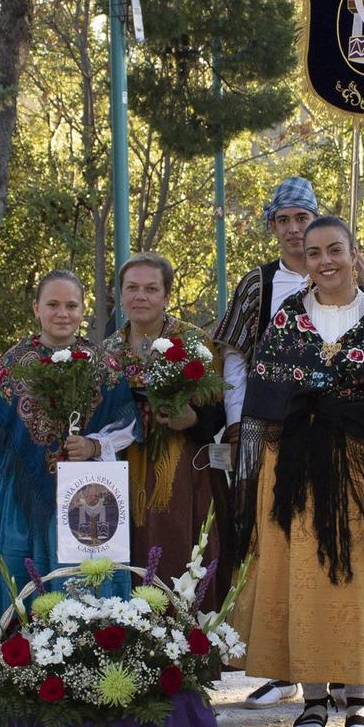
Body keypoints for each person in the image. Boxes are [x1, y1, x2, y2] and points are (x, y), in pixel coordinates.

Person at [231, 216, 364, 727]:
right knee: (305, 580)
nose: (325, 261)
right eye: (314, 252)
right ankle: (314, 697)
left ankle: (360, 698)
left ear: (354, 252)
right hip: (297, 475)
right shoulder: (287, 322)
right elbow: (265, 405)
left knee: (361, 576)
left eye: (334, 249)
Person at [211, 176, 321, 708]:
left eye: (303, 218)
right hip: (264, 429)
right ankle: (278, 663)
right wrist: (238, 419)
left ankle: (330, 664)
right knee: (266, 542)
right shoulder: (259, 284)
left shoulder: (346, 272)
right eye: (284, 220)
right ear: (272, 226)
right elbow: (232, 354)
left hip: (328, 430)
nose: (295, 230)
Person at [0, 269, 138, 610]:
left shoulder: (103, 365)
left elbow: (128, 423)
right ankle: (17, 658)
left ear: (82, 310)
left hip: (85, 496)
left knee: (80, 580)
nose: (62, 313)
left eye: (71, 305)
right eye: (52, 304)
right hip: (20, 498)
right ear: (36, 308)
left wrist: (93, 445)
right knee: (16, 578)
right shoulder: (12, 363)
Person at [102, 254, 227, 605]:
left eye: (151, 288)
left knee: (179, 552)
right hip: (123, 472)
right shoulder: (106, 352)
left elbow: (219, 411)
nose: (140, 296)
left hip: (184, 471)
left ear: (167, 295)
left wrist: (193, 421)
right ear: (121, 295)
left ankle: (185, 644)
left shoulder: (195, 344)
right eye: (132, 288)